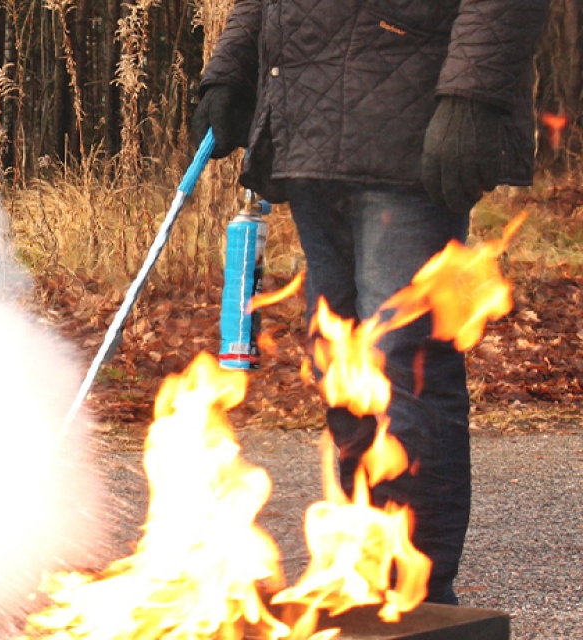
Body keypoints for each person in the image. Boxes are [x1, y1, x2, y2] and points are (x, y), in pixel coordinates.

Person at [192, 0, 548, 605]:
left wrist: (471, 96)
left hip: (410, 124)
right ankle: (365, 574)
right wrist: (232, 71)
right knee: (341, 371)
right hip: (306, 126)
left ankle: (418, 598)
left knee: (400, 366)